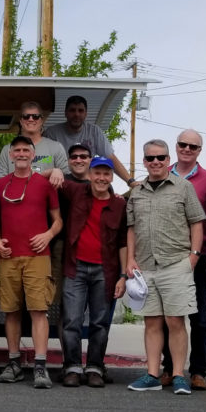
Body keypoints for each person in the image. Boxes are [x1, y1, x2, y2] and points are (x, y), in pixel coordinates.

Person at [125, 139, 205, 395]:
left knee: (175, 321)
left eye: (160, 157)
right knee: (152, 322)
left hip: (175, 263)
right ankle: (152, 374)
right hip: (146, 266)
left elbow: (196, 222)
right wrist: (130, 260)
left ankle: (180, 375)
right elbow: (131, 229)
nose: (156, 162)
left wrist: (193, 256)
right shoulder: (137, 193)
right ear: (145, 162)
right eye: (150, 158)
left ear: (168, 160)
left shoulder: (183, 188)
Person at [0, 136, 62, 388]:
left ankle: (40, 365)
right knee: (11, 311)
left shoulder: (44, 185)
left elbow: (58, 220)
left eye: (26, 150)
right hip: (9, 256)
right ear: (11, 155)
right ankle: (13, 362)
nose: (21, 154)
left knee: (38, 311)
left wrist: (48, 235)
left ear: (33, 155)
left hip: (38, 257)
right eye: (17, 150)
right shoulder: (0, 183)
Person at [59, 157, 128, 388]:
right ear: (89, 175)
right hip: (75, 267)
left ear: (111, 178)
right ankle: (72, 367)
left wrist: (123, 276)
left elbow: (122, 242)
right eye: (97, 173)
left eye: (106, 174)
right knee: (71, 320)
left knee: (100, 322)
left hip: (105, 271)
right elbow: (44, 175)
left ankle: (95, 368)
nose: (101, 178)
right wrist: (55, 171)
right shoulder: (76, 192)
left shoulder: (119, 205)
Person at [159, 129, 206, 390]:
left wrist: (200, 254)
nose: (187, 149)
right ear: (176, 146)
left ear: (199, 151)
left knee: (199, 317)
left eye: (193, 146)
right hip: (165, 258)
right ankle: (170, 368)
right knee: (167, 317)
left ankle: (198, 371)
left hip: (196, 258)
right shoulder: (160, 173)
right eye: (183, 144)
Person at [44, 95, 137, 187]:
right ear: (65, 113)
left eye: (80, 110)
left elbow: (110, 158)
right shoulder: (51, 133)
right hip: (59, 183)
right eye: (72, 110)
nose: (76, 114)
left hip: (87, 184)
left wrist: (130, 181)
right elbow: (43, 159)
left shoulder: (94, 131)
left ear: (86, 114)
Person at [0, 101, 67, 187]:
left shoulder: (56, 147)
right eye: (26, 116)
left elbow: (67, 178)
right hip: (15, 198)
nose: (31, 119)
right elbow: (0, 182)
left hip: (46, 197)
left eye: (36, 116)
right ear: (21, 121)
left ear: (42, 120)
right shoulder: (7, 149)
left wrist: (58, 172)